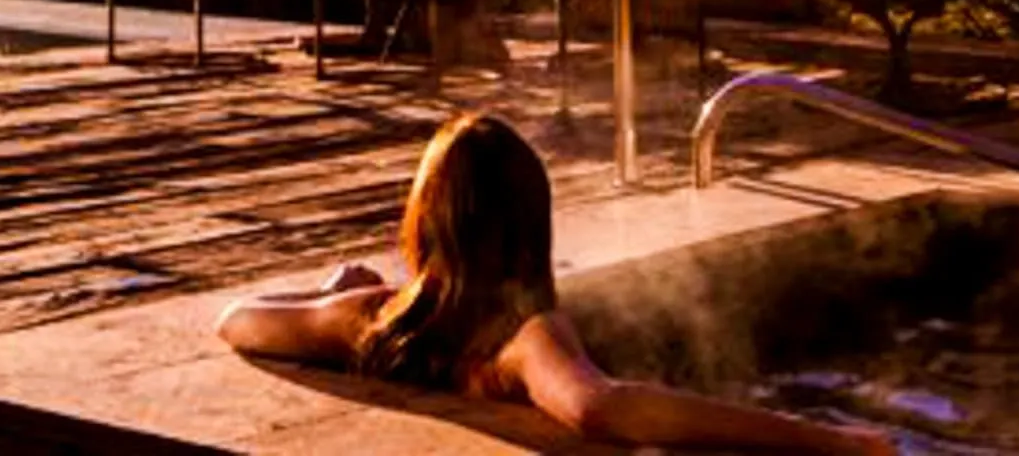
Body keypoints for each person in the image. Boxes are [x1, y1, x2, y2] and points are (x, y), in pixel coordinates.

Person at [217, 112, 895, 455]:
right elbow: (602, 407)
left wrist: (324, 291)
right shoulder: (520, 336)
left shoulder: (367, 316)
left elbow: (236, 320)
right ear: (530, 226)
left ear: (424, 220)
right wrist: (829, 443)